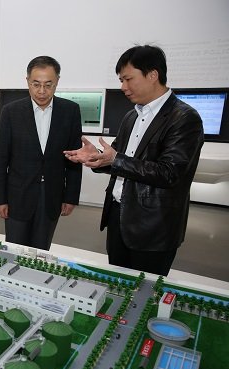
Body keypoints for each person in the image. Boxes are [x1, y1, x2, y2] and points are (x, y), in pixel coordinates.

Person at [63, 45, 204, 276]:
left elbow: (170, 173)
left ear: (152, 75)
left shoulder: (184, 118)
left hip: (153, 226)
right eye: (121, 80)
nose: (123, 87)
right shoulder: (132, 116)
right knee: (117, 284)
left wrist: (115, 159)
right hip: (119, 217)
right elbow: (117, 159)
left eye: (128, 79)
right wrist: (96, 157)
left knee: (144, 289)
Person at [0, 56, 82, 251]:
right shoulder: (11, 112)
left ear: (57, 81)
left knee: (41, 251)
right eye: (36, 84)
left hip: (52, 196)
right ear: (27, 82)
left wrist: (71, 196)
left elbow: (74, 158)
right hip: (18, 196)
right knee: (15, 251)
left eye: (48, 85)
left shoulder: (70, 111)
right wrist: (0, 199)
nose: (42, 91)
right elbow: (1, 160)